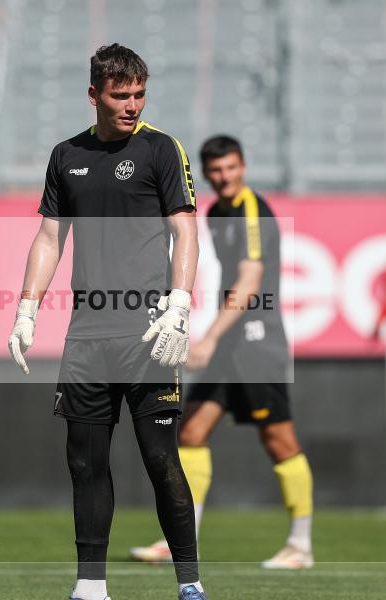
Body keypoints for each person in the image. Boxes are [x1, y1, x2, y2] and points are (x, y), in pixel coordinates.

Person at [8, 44, 208, 600]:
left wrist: (180, 303)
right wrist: (26, 308)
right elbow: (50, 237)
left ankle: (190, 583)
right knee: (85, 461)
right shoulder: (65, 155)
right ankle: (91, 587)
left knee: (160, 457)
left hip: (149, 332)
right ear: (93, 94)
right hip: (87, 335)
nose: (132, 105)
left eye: (139, 94)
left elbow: (185, 229)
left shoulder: (160, 149)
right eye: (120, 96)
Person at [129, 135, 314, 570]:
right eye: (216, 170)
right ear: (207, 174)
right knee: (191, 433)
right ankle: (181, 538)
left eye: (231, 168)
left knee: (279, 441)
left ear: (243, 167)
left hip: (257, 343)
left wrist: (209, 337)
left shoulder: (252, 210)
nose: (224, 177)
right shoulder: (214, 212)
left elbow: (249, 285)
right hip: (229, 344)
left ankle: (300, 545)